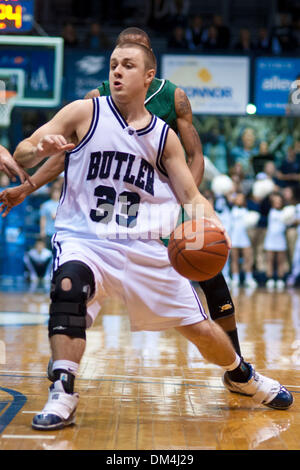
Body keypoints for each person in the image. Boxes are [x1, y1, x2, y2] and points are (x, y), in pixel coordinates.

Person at [1, 42, 292, 431]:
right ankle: (63, 389)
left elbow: (191, 194)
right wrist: (39, 146)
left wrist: (208, 220)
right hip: (87, 238)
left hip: (146, 244)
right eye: (113, 65)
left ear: (148, 76)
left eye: (128, 65)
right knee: (68, 284)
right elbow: (21, 153)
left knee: (201, 330)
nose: (117, 72)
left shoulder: (164, 136)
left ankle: (242, 375)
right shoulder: (84, 112)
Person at [229, 192, 257, 289]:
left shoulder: (247, 211)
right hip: (235, 237)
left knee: (248, 258)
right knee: (234, 259)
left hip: (245, 237)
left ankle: (248, 278)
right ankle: (235, 278)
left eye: (242, 198)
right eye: (238, 198)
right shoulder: (231, 210)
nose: (240, 200)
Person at [264, 192, 288, 290]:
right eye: (275, 201)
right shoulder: (269, 210)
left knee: (280, 261)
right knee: (270, 260)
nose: (277, 202)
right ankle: (269, 278)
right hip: (270, 238)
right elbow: (264, 202)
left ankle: (280, 279)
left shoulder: (285, 212)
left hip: (280, 238)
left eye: (279, 201)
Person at [40, 185, 61, 250]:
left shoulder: (63, 204)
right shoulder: (46, 205)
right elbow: (43, 218)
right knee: (48, 250)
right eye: (54, 192)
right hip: (48, 232)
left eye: (57, 192)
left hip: (59, 233)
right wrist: (42, 231)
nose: (55, 194)